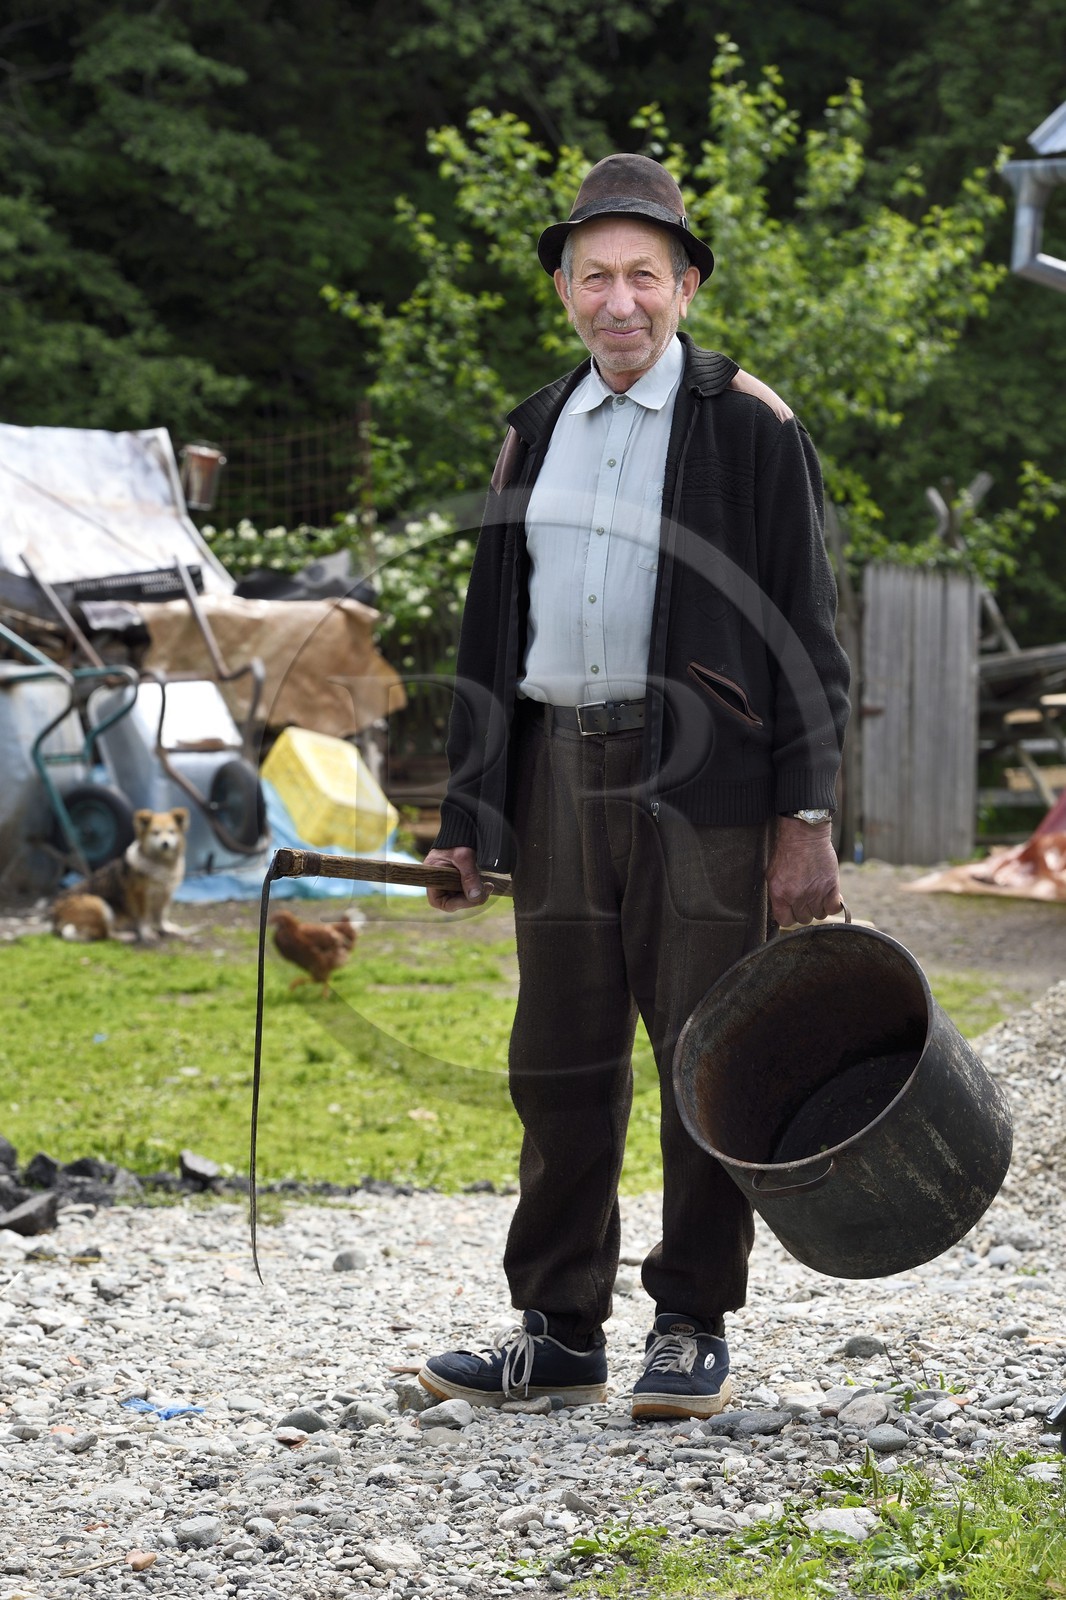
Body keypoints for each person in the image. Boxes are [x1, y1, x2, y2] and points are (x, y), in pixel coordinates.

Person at [417, 153, 851, 1420]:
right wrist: (467, 818)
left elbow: (809, 640)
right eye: (595, 276)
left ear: (687, 287)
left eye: (643, 276)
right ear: (563, 290)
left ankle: (691, 1319)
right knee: (557, 1056)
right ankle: (557, 1327)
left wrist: (805, 820)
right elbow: (490, 633)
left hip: (707, 788)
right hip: (557, 768)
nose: (620, 301)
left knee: (707, 1051)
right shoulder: (534, 429)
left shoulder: (749, 425)